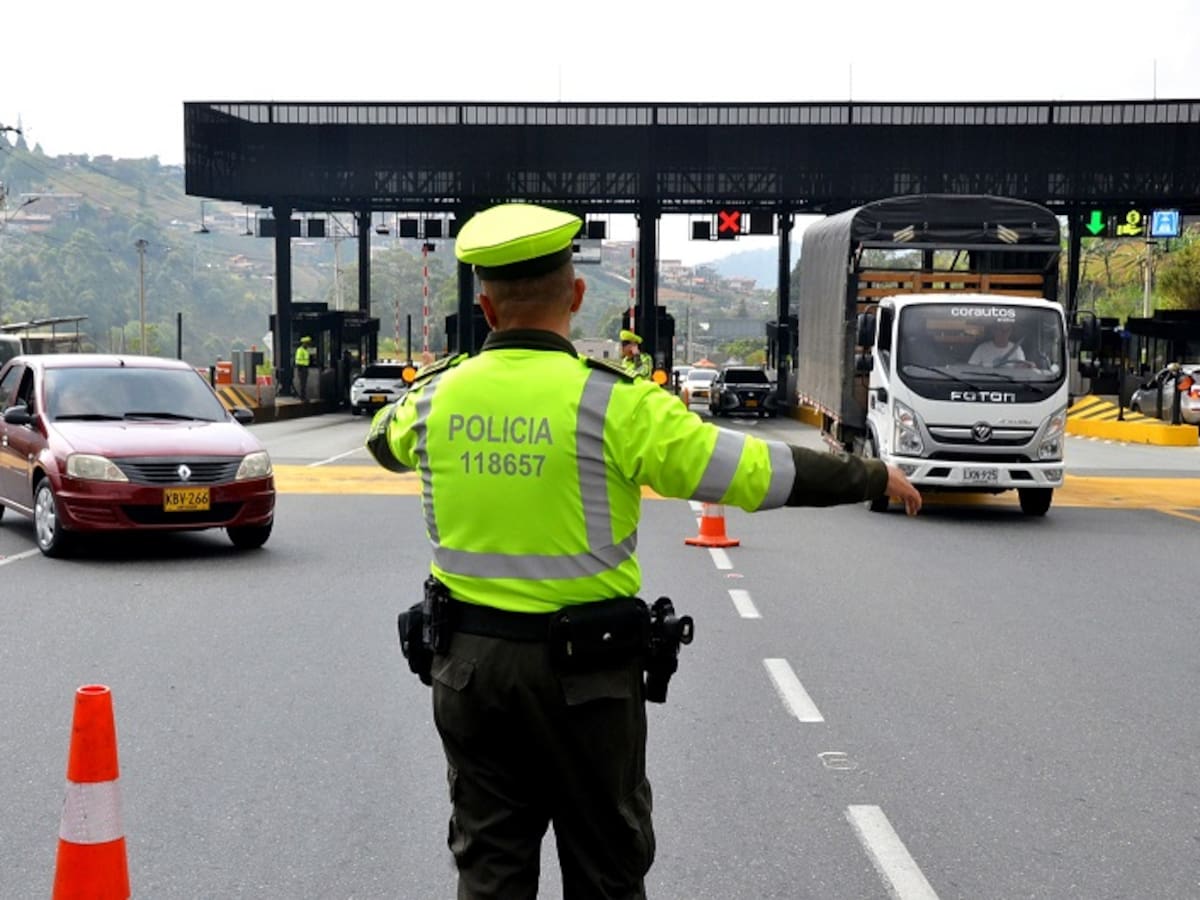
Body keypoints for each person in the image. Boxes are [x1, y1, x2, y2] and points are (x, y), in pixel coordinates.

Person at [365, 202, 922, 900]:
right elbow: (754, 472)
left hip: (470, 673)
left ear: (484, 307)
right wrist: (867, 474)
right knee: (607, 870)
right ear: (576, 295)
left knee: (489, 871)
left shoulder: (434, 399)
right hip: (586, 682)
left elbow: (382, 442)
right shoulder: (619, 405)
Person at [294, 335, 314, 401]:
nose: (308, 344)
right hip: (301, 368)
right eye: (307, 343)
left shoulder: (306, 350)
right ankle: (302, 397)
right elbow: (298, 361)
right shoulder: (300, 350)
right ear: (304, 343)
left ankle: (304, 397)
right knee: (302, 384)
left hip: (305, 368)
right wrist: (303, 366)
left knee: (304, 384)